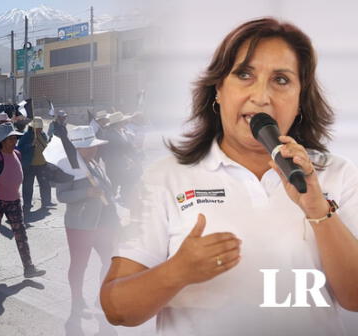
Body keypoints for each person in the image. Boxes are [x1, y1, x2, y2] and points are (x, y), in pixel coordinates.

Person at [100, 18, 358, 336]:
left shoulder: (338, 174)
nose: (261, 96)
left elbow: (355, 298)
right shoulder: (165, 178)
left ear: (300, 99)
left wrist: (318, 210)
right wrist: (176, 272)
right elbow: (117, 309)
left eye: (281, 79)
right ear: (218, 90)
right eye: (244, 74)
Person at [56, 125, 118, 336]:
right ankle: (77, 301)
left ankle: (102, 298)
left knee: (110, 261)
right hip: (80, 224)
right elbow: (62, 196)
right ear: (76, 149)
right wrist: (87, 191)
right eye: (87, 148)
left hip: (103, 222)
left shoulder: (94, 162)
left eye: (93, 146)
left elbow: (107, 190)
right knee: (79, 265)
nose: (92, 150)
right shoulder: (68, 165)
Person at [0, 122, 46, 278]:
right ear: (3, 141)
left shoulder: (16, 154)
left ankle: (28, 268)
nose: (14, 142)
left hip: (14, 202)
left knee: (21, 234)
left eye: (15, 139)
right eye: (11, 139)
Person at [18, 117, 54, 218]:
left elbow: (46, 145)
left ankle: (46, 202)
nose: (40, 130)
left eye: (41, 128)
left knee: (45, 184)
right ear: (32, 127)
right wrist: (30, 145)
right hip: (29, 166)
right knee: (28, 186)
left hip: (42, 164)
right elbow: (19, 149)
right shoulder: (26, 136)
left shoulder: (42, 134)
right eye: (38, 128)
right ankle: (27, 204)